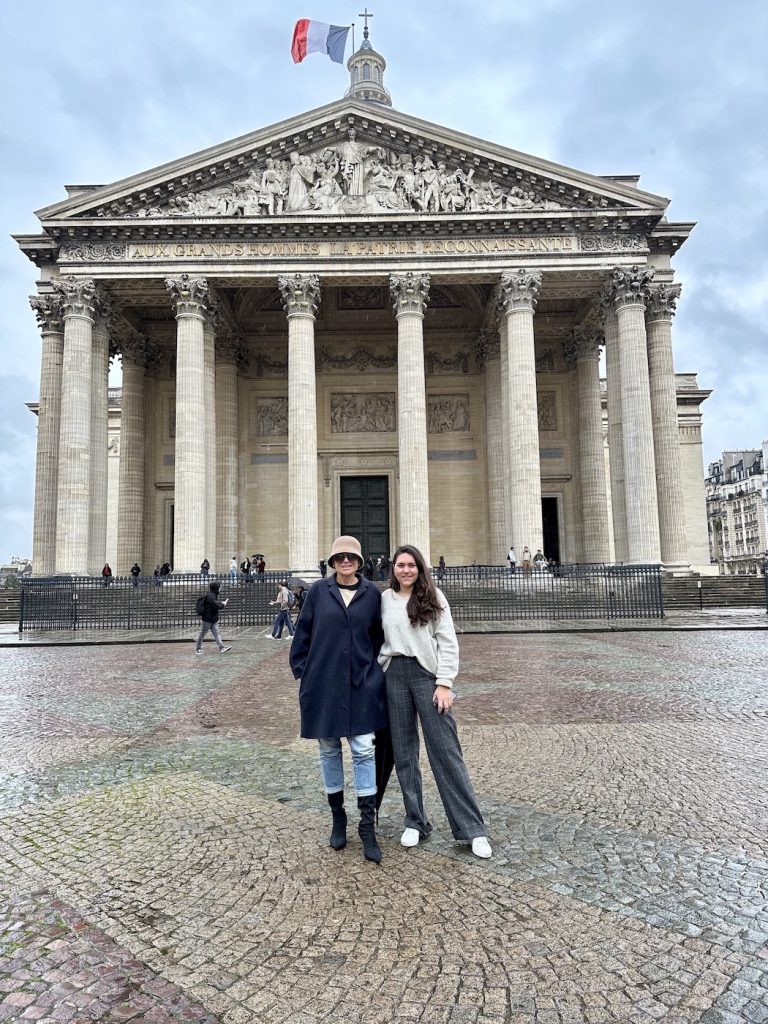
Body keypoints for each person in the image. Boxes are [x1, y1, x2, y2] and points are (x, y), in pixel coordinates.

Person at [379, 544, 492, 860]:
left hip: (427, 676)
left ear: (420, 568)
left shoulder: (434, 597)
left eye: (411, 565)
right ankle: (415, 820)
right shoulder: (384, 600)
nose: (405, 570)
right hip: (394, 676)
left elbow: (448, 643)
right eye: (400, 565)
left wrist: (444, 683)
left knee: (446, 751)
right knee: (404, 752)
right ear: (393, 569)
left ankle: (472, 829)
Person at [290, 535, 387, 863]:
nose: (346, 561)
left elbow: (379, 637)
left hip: (360, 683)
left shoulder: (372, 593)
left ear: (360, 562)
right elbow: (303, 632)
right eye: (340, 557)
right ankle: (338, 818)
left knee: (363, 749)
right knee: (329, 749)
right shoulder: (318, 592)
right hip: (324, 683)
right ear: (332, 562)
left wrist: (371, 673)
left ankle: (367, 826)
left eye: (351, 557)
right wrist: (305, 673)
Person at [195, 581, 231, 655]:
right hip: (208, 619)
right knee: (202, 634)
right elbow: (216, 605)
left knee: (217, 633)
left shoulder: (213, 595)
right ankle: (198, 649)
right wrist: (223, 604)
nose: (220, 588)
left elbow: (215, 605)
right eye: (219, 587)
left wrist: (221, 604)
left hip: (213, 618)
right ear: (216, 588)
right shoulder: (211, 596)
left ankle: (222, 648)